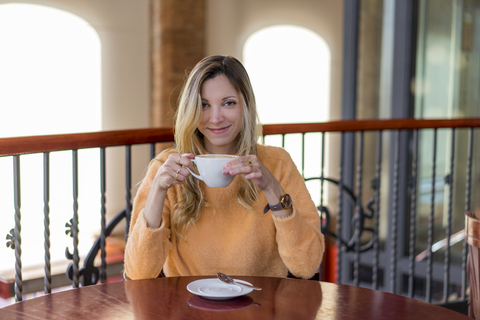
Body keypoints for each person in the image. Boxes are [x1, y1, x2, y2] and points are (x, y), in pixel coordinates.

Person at [124, 55, 324, 280]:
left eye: (228, 103)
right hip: (188, 309)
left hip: (261, 308)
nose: (216, 118)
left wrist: (272, 188)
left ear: (245, 106)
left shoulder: (277, 162)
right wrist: (158, 190)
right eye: (204, 105)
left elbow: (306, 266)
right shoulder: (168, 167)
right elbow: (139, 274)